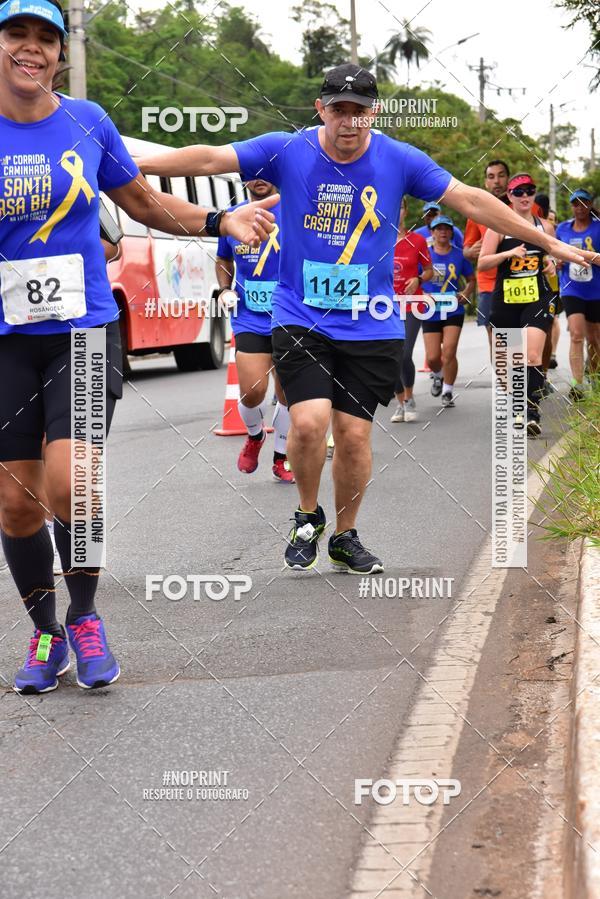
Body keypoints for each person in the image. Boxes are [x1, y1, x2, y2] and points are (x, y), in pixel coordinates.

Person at [138, 63, 593, 573]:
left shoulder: (399, 159)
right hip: (300, 315)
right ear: (320, 110)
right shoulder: (289, 149)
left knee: (354, 435)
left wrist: (547, 240)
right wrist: (134, 162)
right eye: (339, 111)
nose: (349, 122)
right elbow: (211, 158)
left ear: (372, 113)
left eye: (359, 112)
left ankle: (345, 535)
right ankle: (307, 516)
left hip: (372, 321)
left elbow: (468, 199)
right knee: (309, 423)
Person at [0, 0, 277, 694]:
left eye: (46, 39)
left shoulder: (87, 123)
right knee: (15, 504)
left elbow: (145, 204)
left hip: (84, 331)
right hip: (6, 341)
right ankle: (45, 633)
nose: (31, 49)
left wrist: (219, 219)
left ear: (61, 53)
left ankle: (86, 616)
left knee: (75, 480)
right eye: (17, 35)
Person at [216, 179, 294, 483]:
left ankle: (281, 457)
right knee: (252, 392)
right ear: (244, 177)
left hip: (291, 314)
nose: (259, 178)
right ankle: (255, 435)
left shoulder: (298, 212)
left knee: (288, 392)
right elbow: (223, 258)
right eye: (253, 172)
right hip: (249, 315)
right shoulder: (232, 216)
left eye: (266, 171)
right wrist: (224, 289)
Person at [479, 173, 557, 437]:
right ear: (509, 197)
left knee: (533, 355)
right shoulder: (498, 227)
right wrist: (508, 253)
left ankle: (531, 412)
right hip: (507, 299)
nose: (525, 196)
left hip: (537, 295)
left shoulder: (545, 227)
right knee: (513, 361)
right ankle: (518, 409)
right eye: (519, 192)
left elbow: (557, 257)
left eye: (529, 191)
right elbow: (483, 262)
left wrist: (552, 263)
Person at [420, 216, 475, 407]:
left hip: (453, 309)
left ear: (452, 232)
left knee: (449, 352)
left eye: (446, 228)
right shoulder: (424, 255)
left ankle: (448, 391)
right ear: (432, 232)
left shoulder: (460, 255)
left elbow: (471, 279)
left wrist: (466, 292)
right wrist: (422, 294)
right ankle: (438, 375)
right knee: (433, 357)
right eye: (438, 228)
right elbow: (414, 279)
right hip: (430, 310)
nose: (443, 232)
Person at [390, 197, 433, 422]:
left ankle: (409, 397)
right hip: (384, 306)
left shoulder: (417, 240)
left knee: (404, 352)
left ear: (405, 211)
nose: (396, 210)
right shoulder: (378, 239)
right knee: (390, 355)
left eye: (399, 206)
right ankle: (399, 403)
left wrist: (418, 279)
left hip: (411, 303)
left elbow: (429, 271)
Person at [555, 189, 600, 398]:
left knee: (595, 338)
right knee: (576, 333)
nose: (579, 208)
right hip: (571, 288)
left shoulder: (598, 227)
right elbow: (552, 255)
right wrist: (558, 261)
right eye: (575, 204)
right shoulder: (563, 229)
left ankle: (594, 375)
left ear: (590, 205)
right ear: (571, 206)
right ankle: (578, 384)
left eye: (583, 203)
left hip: (595, 290)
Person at [464, 160, 510, 350]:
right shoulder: (476, 212)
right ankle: (503, 380)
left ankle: (528, 377)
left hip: (517, 279)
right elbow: (466, 250)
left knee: (515, 333)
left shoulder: (520, 207)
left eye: (501, 176)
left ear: (508, 179)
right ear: (485, 183)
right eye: (491, 177)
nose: (496, 181)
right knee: (496, 335)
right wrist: (471, 251)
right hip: (488, 283)